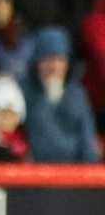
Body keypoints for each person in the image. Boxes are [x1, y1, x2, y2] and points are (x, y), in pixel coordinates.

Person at [22, 26, 99, 163]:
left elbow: (87, 137)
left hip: (76, 175)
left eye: (60, 60)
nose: (55, 67)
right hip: (37, 176)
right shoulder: (24, 92)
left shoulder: (77, 94)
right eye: (48, 60)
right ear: (37, 62)